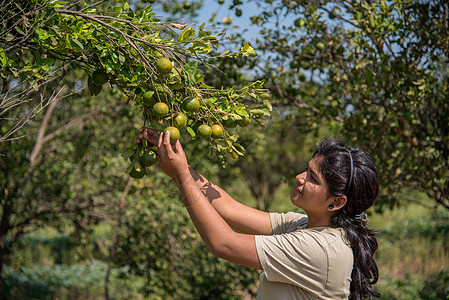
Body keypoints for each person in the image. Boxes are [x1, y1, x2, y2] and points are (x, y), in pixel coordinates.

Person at [136, 128, 381, 300]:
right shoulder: (304, 226)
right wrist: (178, 163)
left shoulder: (320, 249)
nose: (300, 177)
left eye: (313, 178)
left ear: (336, 202)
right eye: (307, 169)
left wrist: (180, 176)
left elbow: (224, 244)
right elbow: (229, 209)